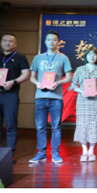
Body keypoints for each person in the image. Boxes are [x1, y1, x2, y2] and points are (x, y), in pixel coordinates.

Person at [0, 33, 31, 161]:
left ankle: (10, 155)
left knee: (11, 125)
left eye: (10, 41)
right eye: (5, 41)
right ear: (1, 43)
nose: (7, 43)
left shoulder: (20, 57)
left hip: (10, 95)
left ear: (15, 44)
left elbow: (26, 74)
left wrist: (13, 82)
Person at [29, 30, 73, 163]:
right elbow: (32, 77)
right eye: (49, 39)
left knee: (56, 127)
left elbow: (69, 77)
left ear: (58, 42)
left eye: (54, 40)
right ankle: (41, 153)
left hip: (56, 98)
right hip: (40, 97)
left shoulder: (63, 58)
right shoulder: (38, 58)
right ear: (45, 41)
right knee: (40, 127)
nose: (51, 42)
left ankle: (55, 153)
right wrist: (37, 83)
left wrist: (58, 82)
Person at [68, 47, 97, 162]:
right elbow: (73, 85)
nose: (92, 56)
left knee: (94, 123)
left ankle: (91, 150)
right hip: (83, 100)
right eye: (90, 54)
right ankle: (84, 150)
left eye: (94, 54)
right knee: (82, 123)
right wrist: (81, 91)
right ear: (86, 56)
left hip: (96, 100)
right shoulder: (80, 69)